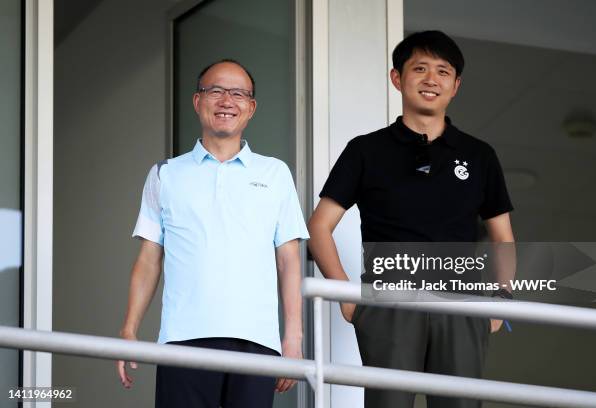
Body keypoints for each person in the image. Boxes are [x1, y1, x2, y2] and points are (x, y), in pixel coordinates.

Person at [307, 31, 515, 408]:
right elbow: (319, 226)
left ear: (456, 85)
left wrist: (501, 300)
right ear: (397, 78)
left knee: (462, 404)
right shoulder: (366, 150)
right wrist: (347, 296)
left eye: (442, 71)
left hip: (463, 301)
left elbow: (502, 236)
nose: (431, 79)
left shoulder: (479, 154)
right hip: (388, 299)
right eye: (419, 69)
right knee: (389, 403)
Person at [116, 59, 309, 408]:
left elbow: (289, 260)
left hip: (257, 342)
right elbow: (148, 259)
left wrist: (292, 339)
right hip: (183, 339)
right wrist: (129, 329)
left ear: (250, 108)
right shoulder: (165, 174)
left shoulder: (275, 173)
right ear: (197, 101)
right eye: (215, 90)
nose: (226, 101)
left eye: (238, 93)